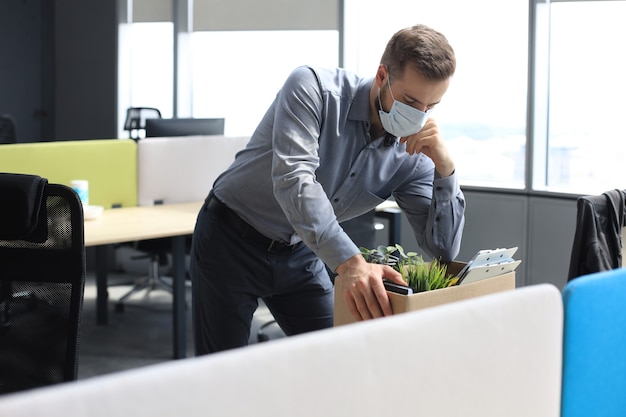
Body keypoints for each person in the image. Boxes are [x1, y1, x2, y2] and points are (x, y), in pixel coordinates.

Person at [190, 23, 465, 355]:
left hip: (300, 250)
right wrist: (350, 263)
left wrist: (445, 171)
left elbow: (444, 250)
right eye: (410, 101)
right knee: (220, 372)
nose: (418, 116)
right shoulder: (313, 89)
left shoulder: (413, 155)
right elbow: (295, 181)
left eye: (430, 108)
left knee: (337, 357)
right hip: (231, 239)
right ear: (382, 76)